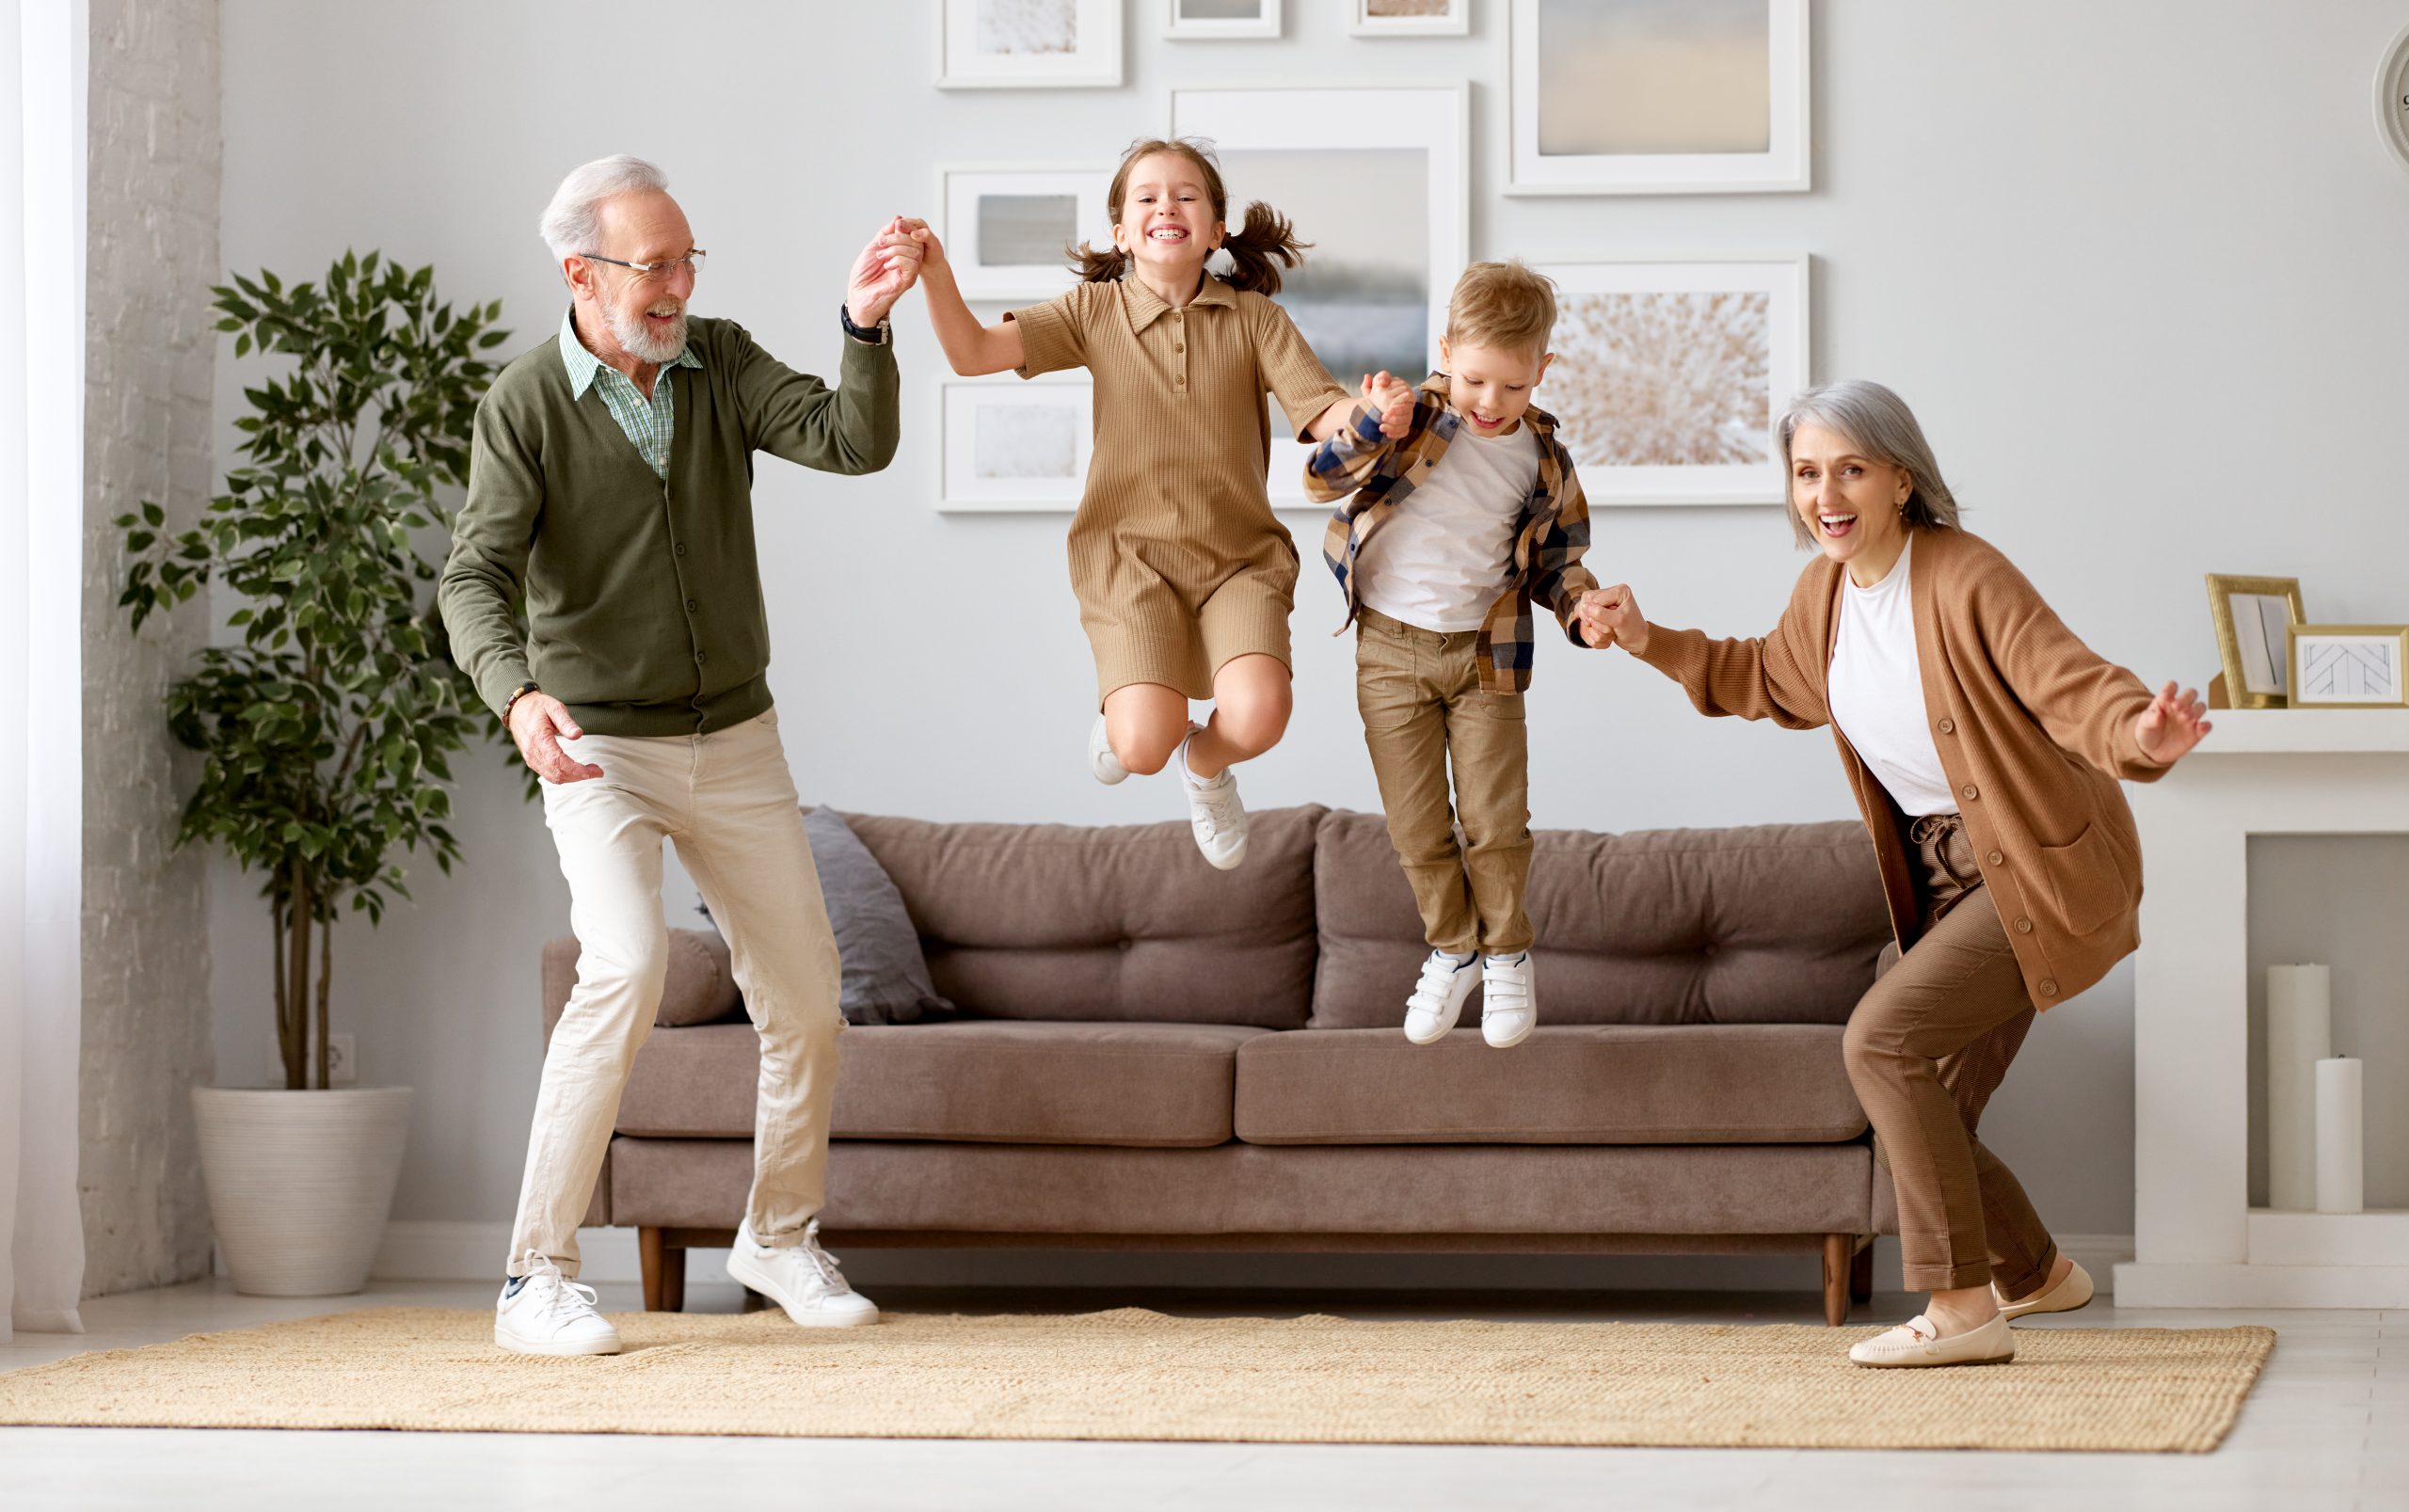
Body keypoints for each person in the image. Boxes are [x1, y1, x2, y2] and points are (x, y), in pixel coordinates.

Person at [1575, 379, 2210, 1368]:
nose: (1825, 493)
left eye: (1850, 469)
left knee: (1879, 1042)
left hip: (2032, 868)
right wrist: (1646, 638)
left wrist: (2140, 732)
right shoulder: (1824, 594)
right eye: (1806, 472)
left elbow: (2066, 679)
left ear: (1900, 480)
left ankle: (1962, 1310)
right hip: (1945, 877)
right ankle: (2037, 1271)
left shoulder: (1964, 576)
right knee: (1929, 1106)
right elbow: (1760, 677)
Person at [439, 155, 920, 1356]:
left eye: (687, 259)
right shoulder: (527, 405)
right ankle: (533, 1278)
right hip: (599, 747)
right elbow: (473, 577)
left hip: (736, 741)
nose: (677, 286)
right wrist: (517, 697)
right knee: (627, 965)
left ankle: (778, 1234)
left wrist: (862, 327)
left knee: (807, 999)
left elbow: (854, 443)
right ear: (582, 275)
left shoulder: (721, 361)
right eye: (654, 265)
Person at [909, 136, 1374, 869]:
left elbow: (1324, 413)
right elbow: (971, 353)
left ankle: (1206, 764)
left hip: (1239, 558)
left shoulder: (1255, 320)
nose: (1167, 206)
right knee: (1139, 747)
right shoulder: (1092, 313)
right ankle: (1139, 728)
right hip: (1131, 559)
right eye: (1147, 197)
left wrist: (1372, 411)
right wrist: (936, 276)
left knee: (1258, 714)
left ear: (1216, 230)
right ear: (1121, 233)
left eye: (1187, 195)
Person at [1302, 261, 1598, 1049]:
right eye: (1473, 381)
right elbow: (1316, 477)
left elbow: (1557, 563)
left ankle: (1506, 954)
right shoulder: (1410, 415)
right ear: (1445, 352)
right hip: (1389, 651)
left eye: (1512, 385)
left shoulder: (1542, 457)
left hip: (1484, 656)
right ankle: (1453, 947)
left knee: (1497, 821)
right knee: (1415, 827)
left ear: (1542, 369)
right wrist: (1368, 426)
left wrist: (1582, 606)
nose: (1490, 404)